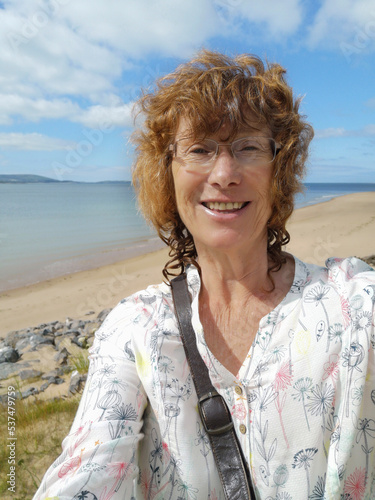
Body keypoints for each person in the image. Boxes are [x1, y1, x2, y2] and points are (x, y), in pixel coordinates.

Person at [34, 50, 375, 500]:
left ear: (280, 170)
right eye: (199, 149)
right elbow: (88, 469)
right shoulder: (137, 329)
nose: (224, 173)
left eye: (248, 147)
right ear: (166, 173)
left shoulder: (353, 304)